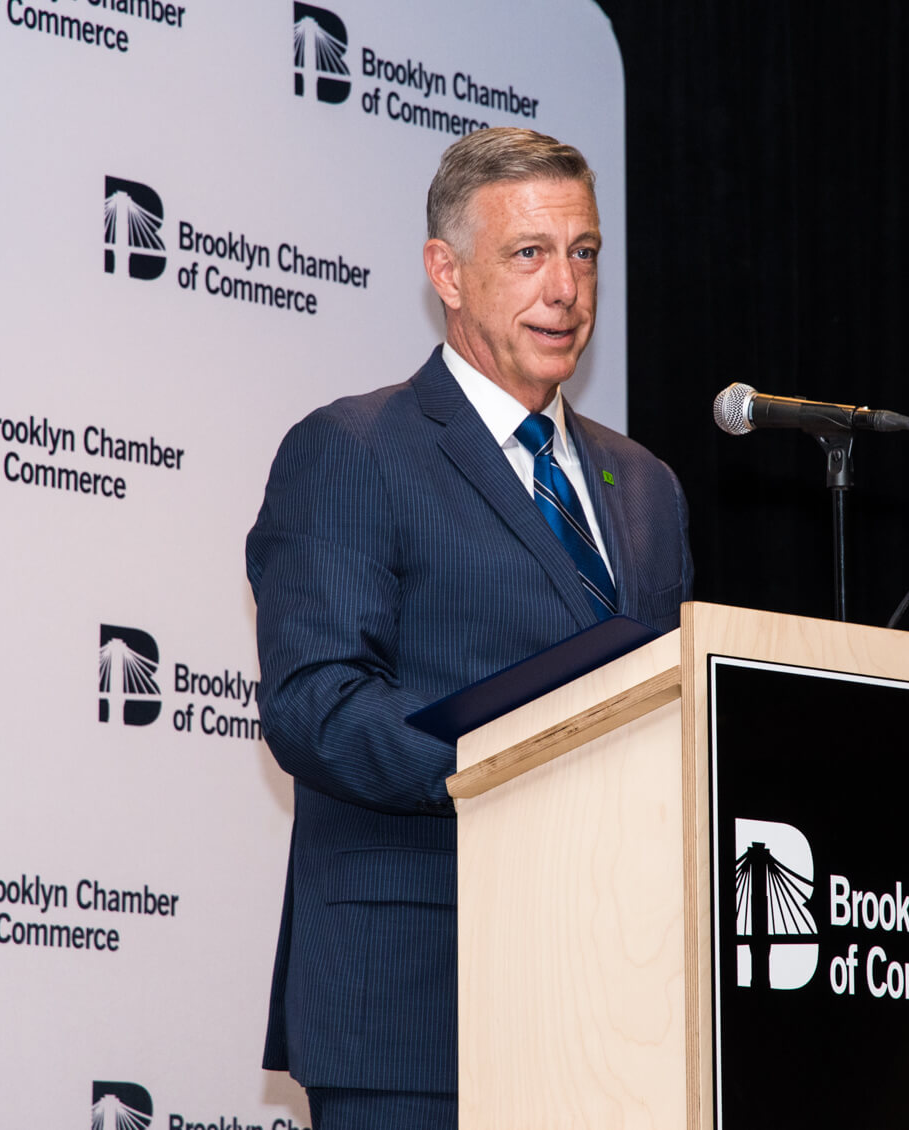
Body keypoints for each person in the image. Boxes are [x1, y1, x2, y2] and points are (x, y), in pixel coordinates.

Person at [245, 127, 694, 1130]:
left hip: (618, 1001)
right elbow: (317, 704)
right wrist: (524, 758)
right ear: (446, 272)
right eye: (529, 253)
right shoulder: (354, 449)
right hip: (417, 1000)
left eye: (584, 253)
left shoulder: (647, 486)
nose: (566, 289)